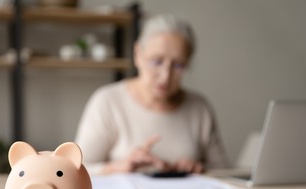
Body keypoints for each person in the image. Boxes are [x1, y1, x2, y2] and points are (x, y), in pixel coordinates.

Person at [75, 14, 229, 175]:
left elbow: (225, 172)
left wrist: (200, 169)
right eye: (156, 61)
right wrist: (119, 167)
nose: (165, 76)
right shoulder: (107, 102)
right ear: (137, 54)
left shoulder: (199, 107)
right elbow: (76, 170)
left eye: (178, 65)